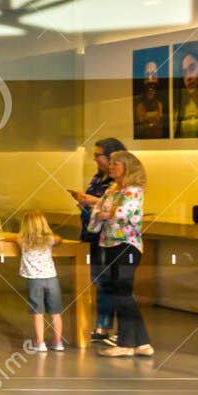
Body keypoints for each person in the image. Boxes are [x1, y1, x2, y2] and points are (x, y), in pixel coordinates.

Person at [79, 149, 153, 358]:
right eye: (110, 163)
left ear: (127, 167)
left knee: (122, 292)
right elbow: (97, 213)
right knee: (120, 292)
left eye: (116, 164)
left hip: (126, 245)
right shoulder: (112, 189)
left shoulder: (133, 190)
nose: (111, 167)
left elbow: (121, 214)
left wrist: (105, 213)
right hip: (109, 244)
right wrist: (103, 214)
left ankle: (126, 343)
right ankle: (142, 342)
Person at [75, 138, 123, 344]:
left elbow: (115, 207)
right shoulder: (97, 178)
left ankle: (117, 329)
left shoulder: (119, 183)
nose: (95, 159)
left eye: (98, 155)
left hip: (110, 236)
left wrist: (93, 201)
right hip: (91, 233)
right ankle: (102, 326)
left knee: (115, 282)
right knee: (99, 279)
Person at [18, 210, 65, 351]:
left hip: (35, 280)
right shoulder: (50, 240)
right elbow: (59, 239)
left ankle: (40, 342)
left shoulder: (22, 241)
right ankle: (58, 342)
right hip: (52, 279)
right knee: (56, 312)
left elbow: (12, 237)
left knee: (38, 312)